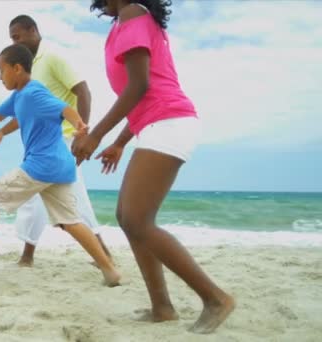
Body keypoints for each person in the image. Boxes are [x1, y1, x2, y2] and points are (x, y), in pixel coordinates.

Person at [72, 0, 234, 333]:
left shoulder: (133, 13)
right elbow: (142, 96)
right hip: (156, 123)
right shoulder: (125, 22)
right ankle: (162, 307)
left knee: (137, 218)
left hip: (171, 122)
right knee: (128, 217)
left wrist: (97, 136)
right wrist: (119, 142)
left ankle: (216, 299)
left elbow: (141, 86)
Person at [0, 44, 120, 287]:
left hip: (41, 165)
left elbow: (64, 108)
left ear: (17, 69)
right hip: (59, 166)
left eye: (1, 70)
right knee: (70, 221)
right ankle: (110, 270)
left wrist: (79, 125)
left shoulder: (34, 92)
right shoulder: (19, 95)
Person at [0, 15, 113, 267]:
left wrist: (82, 133)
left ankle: (99, 256)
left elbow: (83, 91)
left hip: (63, 139)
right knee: (43, 200)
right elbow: (29, 111)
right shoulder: (29, 69)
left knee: (62, 199)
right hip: (46, 143)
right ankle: (30, 256)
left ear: (33, 30)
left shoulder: (52, 57)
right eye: (12, 38)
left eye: (18, 36)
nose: (15, 42)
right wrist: (2, 132)